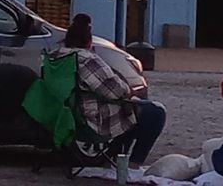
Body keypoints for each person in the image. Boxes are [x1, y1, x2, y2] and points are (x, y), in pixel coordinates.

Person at [53, 13, 166, 168]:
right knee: (154, 112)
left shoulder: (55, 57)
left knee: (132, 110)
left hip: (63, 117)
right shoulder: (87, 59)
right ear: (89, 41)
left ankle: (115, 154)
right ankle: (133, 163)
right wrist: (133, 92)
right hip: (90, 121)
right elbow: (117, 90)